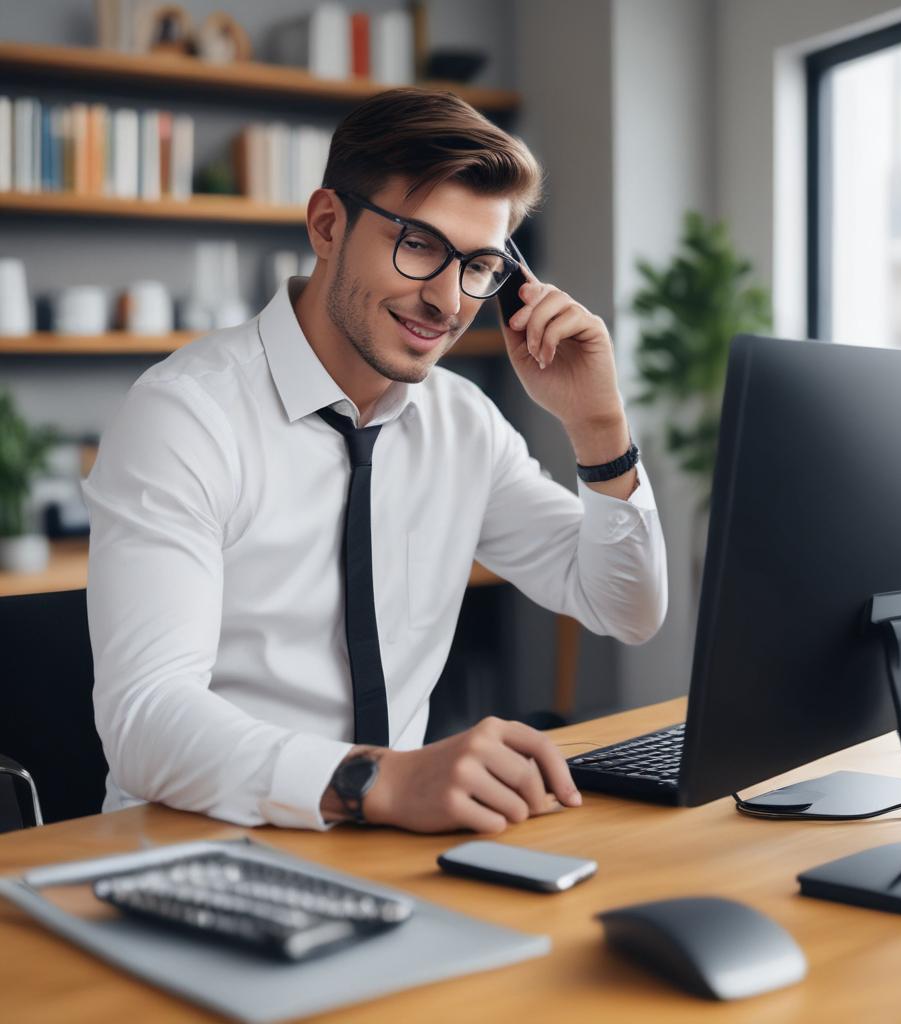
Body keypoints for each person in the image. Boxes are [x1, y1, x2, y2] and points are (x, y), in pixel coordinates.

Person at [84, 89, 668, 835]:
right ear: (328, 224)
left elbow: (627, 607)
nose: (448, 301)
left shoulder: (463, 425)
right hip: (194, 843)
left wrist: (597, 423)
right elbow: (145, 722)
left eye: (480, 266)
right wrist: (379, 779)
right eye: (419, 245)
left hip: (390, 844)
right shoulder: (185, 417)